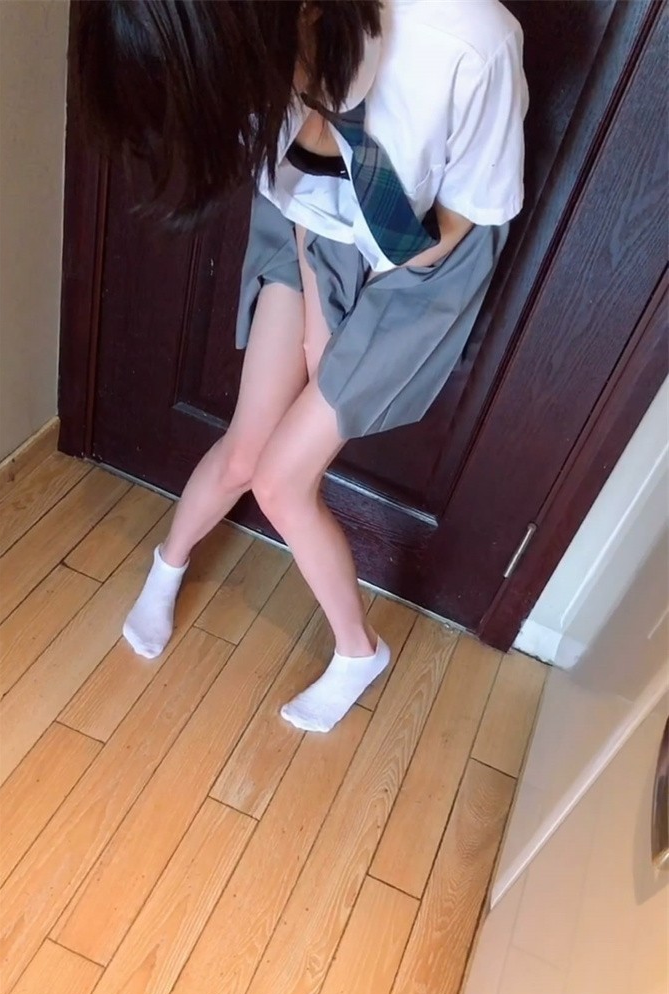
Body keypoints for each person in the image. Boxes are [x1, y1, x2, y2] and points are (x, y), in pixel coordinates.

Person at [77, 0, 529, 732]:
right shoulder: (253, 68)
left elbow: (468, 215)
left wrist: (346, 330)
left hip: (416, 260)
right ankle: (168, 564)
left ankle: (359, 650)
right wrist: (321, 305)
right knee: (246, 449)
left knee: (282, 483)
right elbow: (300, 195)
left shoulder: (469, 42)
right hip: (312, 215)